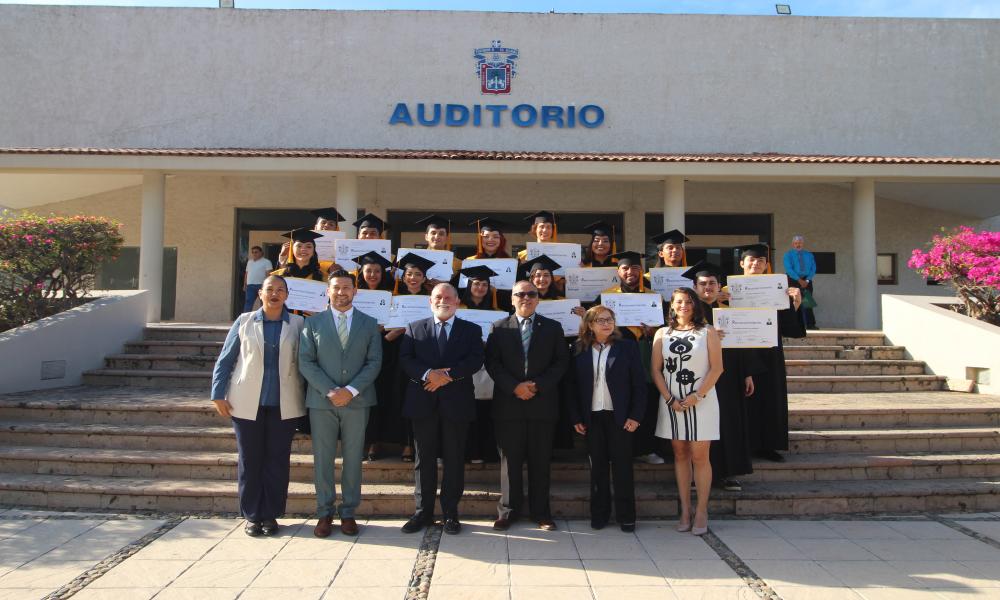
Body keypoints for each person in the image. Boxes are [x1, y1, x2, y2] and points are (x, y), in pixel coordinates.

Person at [211, 275, 305, 537]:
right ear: (260, 294)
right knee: (250, 460)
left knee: (277, 461)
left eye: (280, 290)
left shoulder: (298, 323)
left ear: (287, 295)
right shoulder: (244, 322)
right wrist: (218, 393)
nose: (274, 294)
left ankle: (271, 515)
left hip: (284, 404)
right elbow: (225, 360)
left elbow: (307, 361)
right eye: (269, 289)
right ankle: (252, 515)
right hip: (245, 402)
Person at [298, 270, 383, 538]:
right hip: (322, 402)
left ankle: (348, 513)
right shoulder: (313, 324)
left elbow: (374, 362)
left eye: (347, 287)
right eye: (336, 288)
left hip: (357, 402)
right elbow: (305, 361)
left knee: (353, 459)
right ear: (328, 291)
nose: (341, 292)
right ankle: (324, 512)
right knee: (323, 459)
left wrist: (352, 390)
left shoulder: (369, 323)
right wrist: (331, 390)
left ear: (355, 291)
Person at [398, 283, 485, 535]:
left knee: (454, 459)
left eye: (448, 297)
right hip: (422, 402)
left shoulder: (471, 329)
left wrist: (446, 376)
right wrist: (428, 375)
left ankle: (450, 513)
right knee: (423, 460)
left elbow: (475, 359)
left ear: (458, 302)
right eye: (438, 297)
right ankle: (422, 512)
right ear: (430, 301)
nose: (443, 300)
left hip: (456, 404)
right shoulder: (414, 329)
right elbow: (406, 359)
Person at [486, 280, 569, 531]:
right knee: (509, 461)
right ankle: (508, 511)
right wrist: (515, 387)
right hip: (508, 404)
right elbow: (493, 363)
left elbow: (560, 363)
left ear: (538, 298)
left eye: (531, 294)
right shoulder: (499, 328)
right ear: (511, 299)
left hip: (542, 404)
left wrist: (537, 385)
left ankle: (540, 512)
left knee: (540, 460)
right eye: (520, 294)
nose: (526, 298)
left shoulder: (553, 328)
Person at [683, 261, 761, 492]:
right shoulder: (687, 314)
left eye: (712, 283)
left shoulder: (731, 312)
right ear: (695, 287)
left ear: (719, 287)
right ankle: (696, 476)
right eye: (703, 284)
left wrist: (747, 374)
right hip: (697, 377)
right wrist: (703, 335)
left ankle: (725, 473)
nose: (708, 287)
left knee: (727, 423)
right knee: (700, 428)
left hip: (728, 376)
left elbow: (742, 345)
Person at [567, 306, 647, 532]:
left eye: (609, 319)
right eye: (600, 320)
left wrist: (635, 416)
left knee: (622, 467)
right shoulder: (578, 349)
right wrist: (575, 417)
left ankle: (626, 516)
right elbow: (571, 386)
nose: (606, 324)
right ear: (590, 324)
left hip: (619, 417)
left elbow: (639, 385)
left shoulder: (627, 347)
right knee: (598, 468)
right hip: (592, 417)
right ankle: (599, 514)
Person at [652, 287, 724, 536]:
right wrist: (669, 397)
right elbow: (656, 370)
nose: (683, 305)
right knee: (680, 453)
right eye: (678, 301)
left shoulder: (707, 332)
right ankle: (685, 510)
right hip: (671, 402)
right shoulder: (662, 333)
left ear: (695, 305)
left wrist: (697, 395)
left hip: (701, 400)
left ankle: (702, 510)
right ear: (671, 305)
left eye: (688, 301)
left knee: (700, 455)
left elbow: (717, 369)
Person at [732, 243, 804, 463]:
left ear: (766, 265)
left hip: (769, 350)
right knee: (739, 398)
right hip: (739, 350)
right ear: (742, 263)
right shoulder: (728, 290)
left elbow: (791, 328)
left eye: (761, 261)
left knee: (769, 397)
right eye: (751, 260)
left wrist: (795, 304)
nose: (755, 264)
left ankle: (767, 445)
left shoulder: (777, 290)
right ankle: (740, 444)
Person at [602, 250, 666, 465]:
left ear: (642, 271)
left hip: (645, 355)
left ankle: (645, 448)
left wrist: (652, 331)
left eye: (635, 268)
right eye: (625, 268)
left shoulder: (653, 298)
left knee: (645, 399)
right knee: (618, 400)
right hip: (616, 356)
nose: (630, 272)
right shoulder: (606, 298)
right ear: (618, 271)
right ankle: (616, 449)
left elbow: (665, 329)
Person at [353, 251, 400, 462]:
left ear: (383, 273)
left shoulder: (392, 294)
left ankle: (377, 441)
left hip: (386, 348)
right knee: (361, 395)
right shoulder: (354, 295)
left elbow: (400, 321)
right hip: (358, 349)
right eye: (368, 270)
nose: (372, 274)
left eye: (377, 271)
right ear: (361, 273)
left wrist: (386, 328)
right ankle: (361, 440)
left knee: (381, 393)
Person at [392, 252, 436, 461]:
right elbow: (388, 336)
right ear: (403, 276)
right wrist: (400, 330)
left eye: (418, 274)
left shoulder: (431, 301)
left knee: (419, 398)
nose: (413, 278)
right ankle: (404, 444)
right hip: (396, 353)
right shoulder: (393, 299)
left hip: (423, 353)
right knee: (399, 397)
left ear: (424, 278)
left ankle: (415, 443)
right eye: (409, 274)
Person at [457, 265, 503, 465]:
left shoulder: (497, 313)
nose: (480, 287)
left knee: (486, 408)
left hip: (487, 366)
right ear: (469, 285)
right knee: (467, 408)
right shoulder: (458, 310)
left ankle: (487, 450)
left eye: (484, 284)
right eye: (476, 283)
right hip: (464, 364)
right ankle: (468, 450)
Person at [277, 208, 346, 267]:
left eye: (331, 224)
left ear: (336, 229)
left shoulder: (342, 245)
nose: (326, 225)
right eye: (323, 222)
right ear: (316, 227)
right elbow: (285, 269)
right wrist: (283, 255)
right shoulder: (300, 240)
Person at [782, 234, 818, 330]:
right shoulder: (788, 255)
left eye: (800, 243)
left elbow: (813, 268)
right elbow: (789, 269)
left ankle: (811, 324)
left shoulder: (809, 255)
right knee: (792, 302)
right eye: (796, 243)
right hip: (792, 279)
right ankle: (792, 324)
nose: (798, 245)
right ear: (793, 244)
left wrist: (807, 280)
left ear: (803, 244)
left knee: (808, 302)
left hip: (807, 280)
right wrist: (798, 280)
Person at [415, 214, 462, 286]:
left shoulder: (458, 264)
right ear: (426, 236)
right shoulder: (415, 258)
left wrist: (445, 284)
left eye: (441, 234)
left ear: (447, 237)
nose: (437, 236)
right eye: (433, 233)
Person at [242, 245, 273, 313]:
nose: (254, 254)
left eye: (256, 252)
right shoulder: (249, 262)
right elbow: (246, 274)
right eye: (253, 252)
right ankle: (245, 319)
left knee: (264, 303)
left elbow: (269, 275)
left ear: (261, 253)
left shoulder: (266, 262)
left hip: (262, 286)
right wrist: (245, 284)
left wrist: (268, 286)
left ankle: (264, 318)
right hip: (250, 286)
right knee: (248, 303)